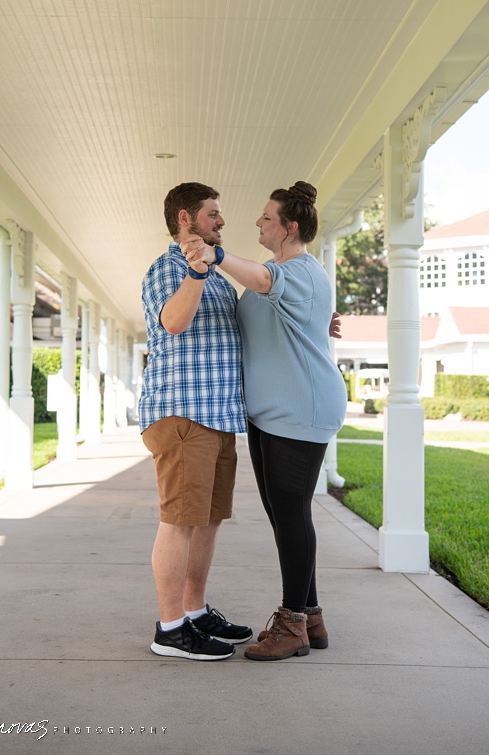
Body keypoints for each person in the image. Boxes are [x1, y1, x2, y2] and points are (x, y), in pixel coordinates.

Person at [183, 181, 348, 661]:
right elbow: (274, 302)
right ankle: (310, 616)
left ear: (290, 227)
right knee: (284, 516)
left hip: (300, 408)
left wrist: (215, 255)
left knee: (292, 516)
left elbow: (259, 282)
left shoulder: (296, 270)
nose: (258, 222)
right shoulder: (284, 272)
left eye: (267, 217)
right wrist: (323, 320)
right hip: (272, 413)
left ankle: (293, 623)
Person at [138, 182, 253, 660]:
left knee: (206, 522)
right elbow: (173, 322)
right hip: (183, 412)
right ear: (186, 218)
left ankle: (195, 610)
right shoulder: (169, 269)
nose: (221, 221)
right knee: (180, 522)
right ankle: (170, 628)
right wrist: (196, 271)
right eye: (213, 214)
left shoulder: (218, 273)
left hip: (217, 415)